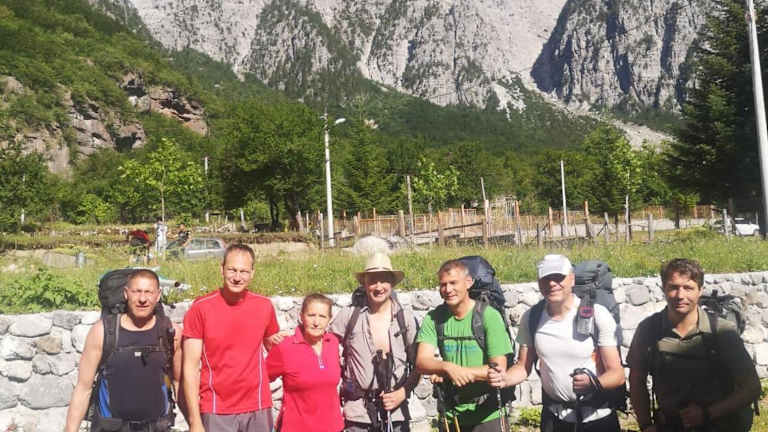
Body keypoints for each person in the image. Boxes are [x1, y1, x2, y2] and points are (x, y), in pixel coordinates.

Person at [488, 254, 625, 432]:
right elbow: (523, 366)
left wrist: (593, 383)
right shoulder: (532, 317)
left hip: (597, 419)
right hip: (554, 419)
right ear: (539, 282)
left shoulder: (597, 315)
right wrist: (505, 379)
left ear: (572, 279)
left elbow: (617, 374)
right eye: (546, 278)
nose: (552, 283)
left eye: (558, 277)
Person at [627, 258, 760, 432]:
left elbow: (751, 388)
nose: (680, 295)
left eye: (688, 288)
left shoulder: (722, 331)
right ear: (663, 289)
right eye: (673, 287)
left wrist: (707, 414)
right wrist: (646, 425)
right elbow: (637, 380)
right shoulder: (648, 330)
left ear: (700, 291)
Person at [182, 244, 289, 432]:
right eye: (232, 270)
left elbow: (272, 347)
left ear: (252, 273)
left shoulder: (264, 306)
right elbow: (190, 368)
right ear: (222, 269)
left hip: (257, 405)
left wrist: (282, 343)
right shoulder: (201, 308)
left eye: (244, 271)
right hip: (216, 408)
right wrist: (194, 421)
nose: (237, 277)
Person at [64, 269, 182, 432]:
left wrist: (194, 422)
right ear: (126, 293)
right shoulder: (103, 332)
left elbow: (178, 382)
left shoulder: (170, 332)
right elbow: (83, 387)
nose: (142, 299)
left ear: (158, 295)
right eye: (136, 291)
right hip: (110, 428)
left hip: (157, 427)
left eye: (148, 292)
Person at [416, 259, 514, 431]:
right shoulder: (434, 318)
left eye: (453, 283)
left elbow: (498, 369)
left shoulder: (489, 316)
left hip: (488, 415)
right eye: (443, 284)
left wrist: (456, 372)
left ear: (468, 282)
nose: (448, 289)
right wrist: (447, 368)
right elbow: (421, 362)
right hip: (451, 415)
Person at [329, 253, 421, 432]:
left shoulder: (405, 319)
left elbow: (420, 363)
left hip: (396, 413)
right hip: (358, 414)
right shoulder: (349, 316)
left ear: (392, 283)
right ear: (364, 284)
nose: (378, 287)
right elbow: (323, 343)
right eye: (372, 281)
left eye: (383, 280)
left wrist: (403, 393)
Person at [267, 293, 344, 432]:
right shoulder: (285, 347)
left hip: (332, 427)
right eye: (311, 315)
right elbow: (259, 379)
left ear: (330, 319)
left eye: (322, 316)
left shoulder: (332, 343)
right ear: (301, 316)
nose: (316, 322)